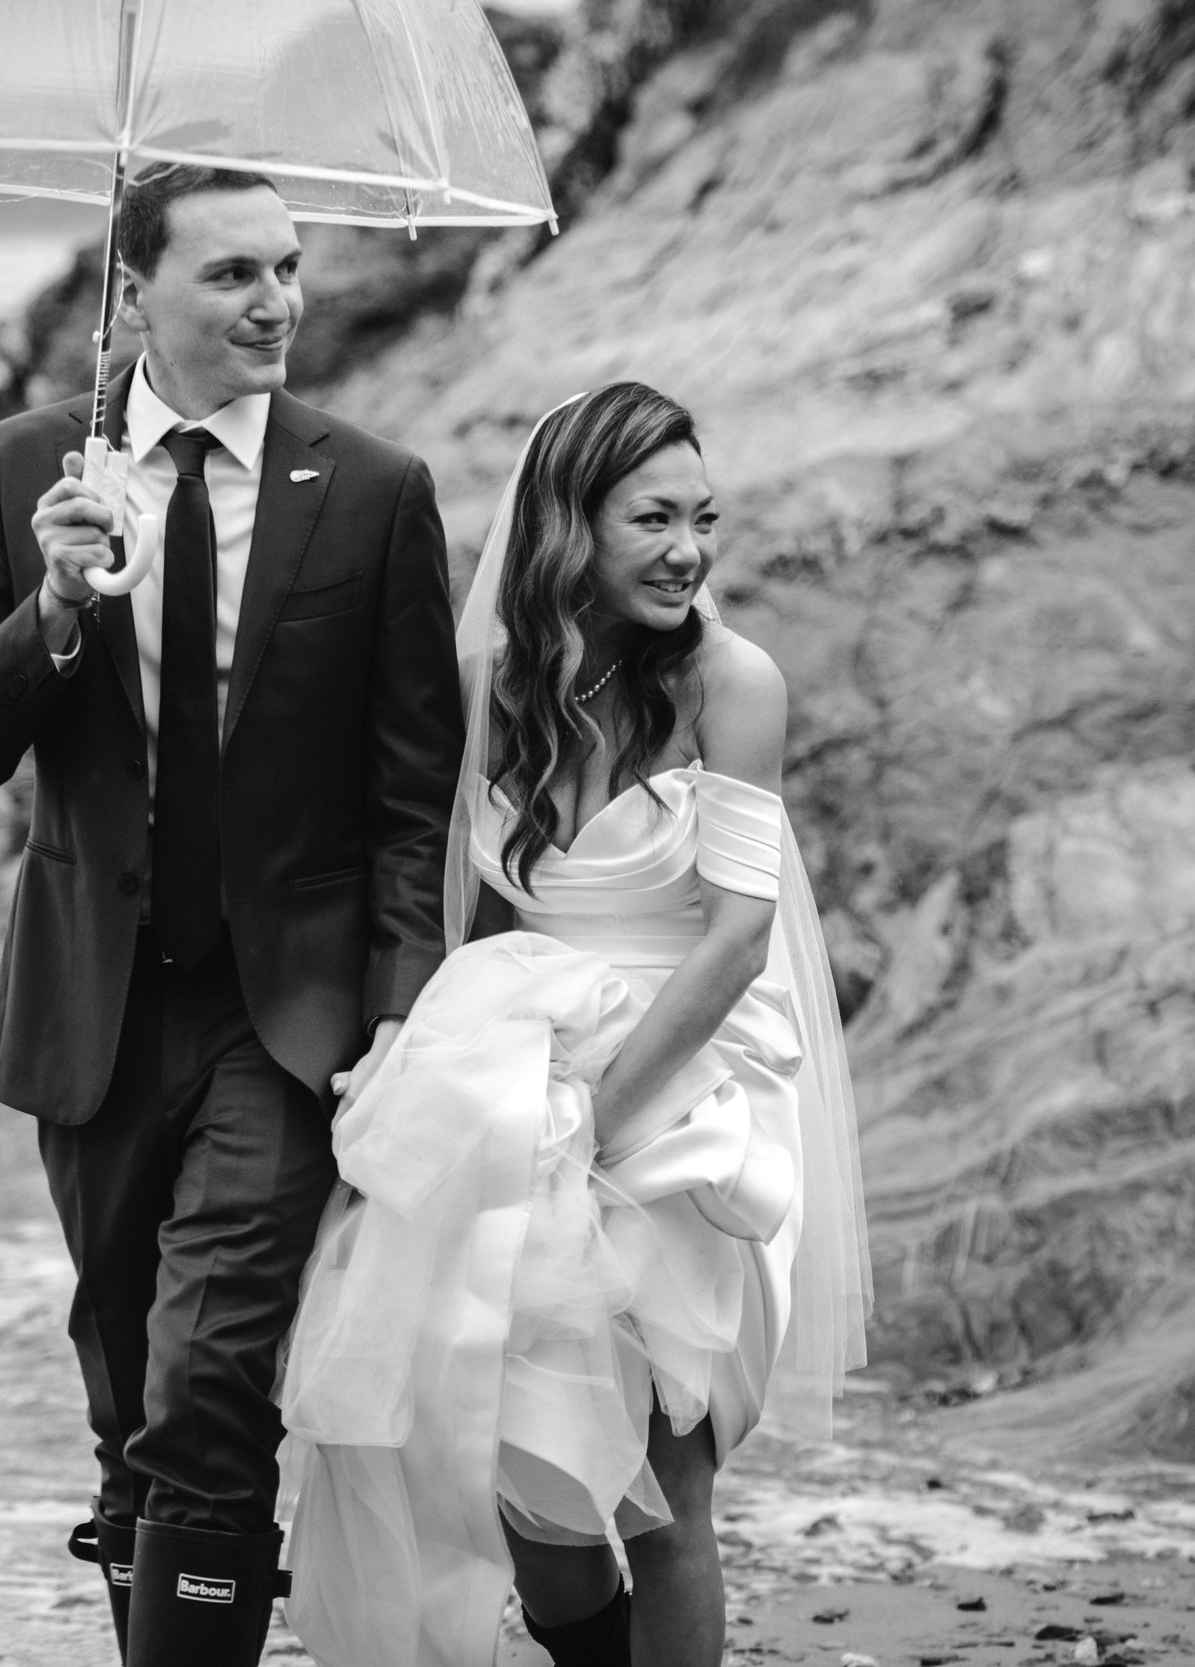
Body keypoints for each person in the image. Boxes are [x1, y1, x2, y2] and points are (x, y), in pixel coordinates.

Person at [0, 162, 463, 1667]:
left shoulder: (372, 488)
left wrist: (405, 1005)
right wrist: (57, 610)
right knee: (126, 1388)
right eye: (233, 274)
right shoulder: (26, 467)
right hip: (92, 1007)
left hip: (283, 1012)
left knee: (211, 1367)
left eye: (287, 268)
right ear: (133, 290)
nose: (276, 300)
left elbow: (417, 789)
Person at [278, 383, 871, 1667]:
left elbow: (735, 933)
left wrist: (598, 1124)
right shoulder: (488, 690)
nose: (688, 549)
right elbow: (465, 917)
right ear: (568, 526)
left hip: (691, 1092)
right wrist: (423, 1072)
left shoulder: (734, 683)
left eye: (703, 518)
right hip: (519, 1074)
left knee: (663, 1494)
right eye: (651, 517)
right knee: (516, 1465)